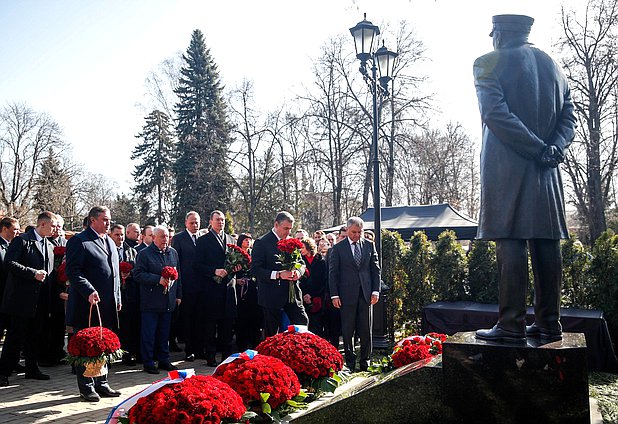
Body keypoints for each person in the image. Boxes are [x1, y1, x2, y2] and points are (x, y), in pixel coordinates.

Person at [473, 15, 577, 343]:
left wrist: (536, 149)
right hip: (547, 172)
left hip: (507, 169)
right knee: (546, 241)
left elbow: (496, 115)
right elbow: (568, 119)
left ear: (500, 35)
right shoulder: (555, 69)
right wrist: (553, 149)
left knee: (510, 239)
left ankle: (510, 324)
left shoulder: (488, 62)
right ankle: (549, 323)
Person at [65, 206, 122, 402]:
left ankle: (102, 382)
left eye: (109, 220)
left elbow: (114, 274)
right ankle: (86, 386)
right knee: (88, 345)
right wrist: (89, 290)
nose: (108, 223)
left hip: (107, 305)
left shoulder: (110, 242)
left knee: (103, 344)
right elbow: (73, 271)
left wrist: (117, 298)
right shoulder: (79, 242)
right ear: (92, 220)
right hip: (86, 305)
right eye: (104, 220)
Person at [0, 212, 55, 387]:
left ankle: (32, 368)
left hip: (40, 300)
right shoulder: (22, 241)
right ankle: (4, 372)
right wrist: (33, 274)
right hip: (21, 299)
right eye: (53, 226)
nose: (55, 229)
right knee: (15, 337)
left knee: (35, 336)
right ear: (43, 225)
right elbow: (9, 263)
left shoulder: (49, 245)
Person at [329, 217, 380, 372]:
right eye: (354, 232)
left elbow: (375, 270)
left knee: (365, 329)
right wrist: (334, 295)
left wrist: (375, 290)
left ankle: (366, 360)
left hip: (365, 294)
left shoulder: (369, 245)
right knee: (348, 329)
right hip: (346, 295)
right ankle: (350, 362)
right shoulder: (338, 248)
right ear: (347, 229)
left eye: (360, 232)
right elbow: (333, 274)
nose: (357, 235)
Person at [251, 211, 308, 337]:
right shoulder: (262, 242)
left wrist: (298, 272)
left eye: (290, 229)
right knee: (272, 333)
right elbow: (255, 269)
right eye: (285, 228)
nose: (288, 232)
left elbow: (301, 263)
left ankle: (299, 354)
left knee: (302, 323)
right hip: (271, 295)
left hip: (292, 294)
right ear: (276, 224)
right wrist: (278, 274)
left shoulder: (292, 242)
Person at [133, 225, 181, 374]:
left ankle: (164, 360)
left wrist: (178, 294)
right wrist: (157, 279)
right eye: (162, 236)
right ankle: (148, 362)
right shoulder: (144, 254)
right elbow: (138, 274)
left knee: (164, 333)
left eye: (167, 236)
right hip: (151, 301)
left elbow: (179, 275)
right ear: (153, 238)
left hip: (168, 301)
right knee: (149, 333)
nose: (165, 239)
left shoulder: (173, 253)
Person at [194, 211, 238, 366]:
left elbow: (234, 262)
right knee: (210, 326)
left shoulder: (232, 240)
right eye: (218, 220)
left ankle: (227, 357)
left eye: (223, 220)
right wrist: (214, 271)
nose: (221, 222)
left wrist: (237, 267)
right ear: (211, 221)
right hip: (211, 290)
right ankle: (210, 356)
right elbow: (197, 265)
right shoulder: (203, 241)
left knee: (227, 326)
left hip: (228, 289)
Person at [171, 211, 204, 362]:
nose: (195, 225)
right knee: (188, 319)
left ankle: (199, 349)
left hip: (203, 286)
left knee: (201, 319)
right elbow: (176, 264)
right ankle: (189, 350)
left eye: (197, 222)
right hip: (187, 286)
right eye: (192, 223)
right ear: (186, 223)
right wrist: (179, 289)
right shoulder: (179, 239)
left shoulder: (203, 238)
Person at [39, 214, 69, 366]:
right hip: (49, 289)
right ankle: (46, 354)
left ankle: (58, 352)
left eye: (59, 226)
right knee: (47, 325)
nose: (57, 229)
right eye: (54, 225)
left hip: (63, 288)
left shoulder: (65, 243)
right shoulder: (45, 242)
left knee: (60, 324)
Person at [110, 224, 140, 365]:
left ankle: (128, 354)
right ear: (111, 235)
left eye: (122, 235)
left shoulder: (131, 251)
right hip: (112, 294)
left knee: (129, 326)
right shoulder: (107, 249)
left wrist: (129, 273)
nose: (120, 238)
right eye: (117, 235)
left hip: (128, 294)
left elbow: (138, 270)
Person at [234, 234, 262, 351]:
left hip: (253, 290)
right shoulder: (235, 254)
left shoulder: (254, 254)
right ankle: (241, 344)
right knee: (242, 318)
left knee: (254, 317)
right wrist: (236, 280)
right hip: (240, 291)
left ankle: (254, 343)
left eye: (250, 240)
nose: (248, 242)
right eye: (245, 240)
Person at [299, 237, 327, 337]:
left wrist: (312, 295)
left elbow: (322, 280)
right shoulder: (299, 260)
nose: (300, 250)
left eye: (303, 247)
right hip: (304, 296)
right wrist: (305, 294)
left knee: (317, 324)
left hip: (317, 296)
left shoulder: (320, 260)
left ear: (309, 247)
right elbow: (300, 280)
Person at [0, 217, 20, 343]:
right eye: (15, 229)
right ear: (4, 229)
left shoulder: (13, 245)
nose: (18, 232)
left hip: (9, 296)